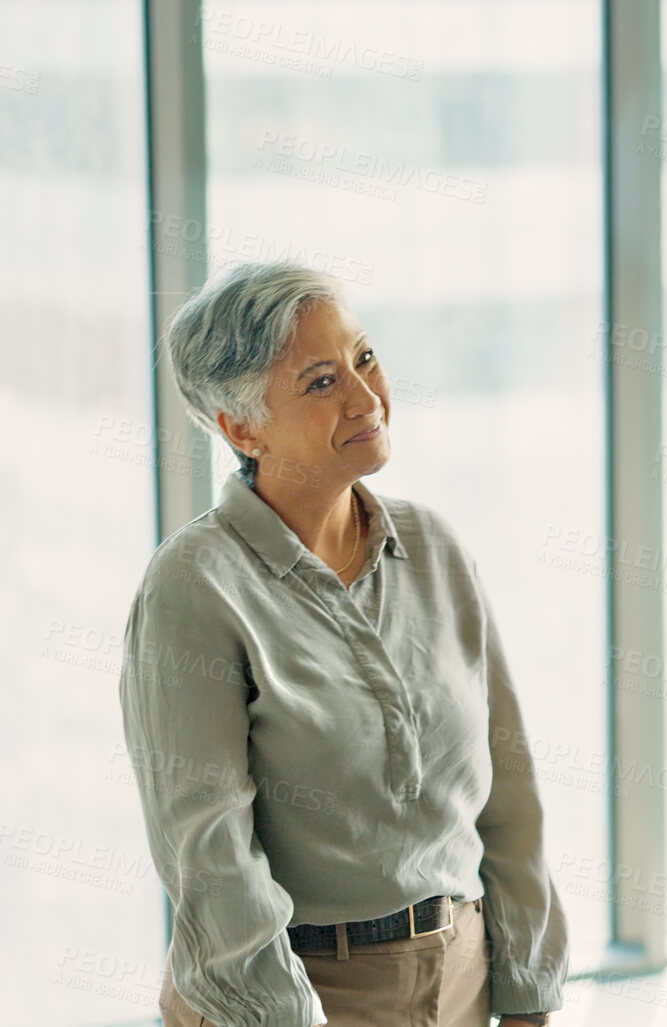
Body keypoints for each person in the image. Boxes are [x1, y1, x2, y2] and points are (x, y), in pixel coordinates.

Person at [118, 261, 566, 1027]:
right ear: (241, 427)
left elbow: (509, 795)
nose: (366, 398)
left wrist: (527, 990)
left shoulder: (433, 547)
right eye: (321, 382)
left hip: (462, 979)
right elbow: (209, 860)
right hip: (288, 994)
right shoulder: (193, 586)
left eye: (363, 358)